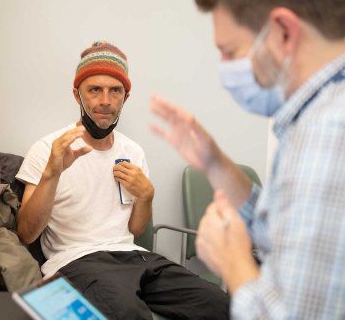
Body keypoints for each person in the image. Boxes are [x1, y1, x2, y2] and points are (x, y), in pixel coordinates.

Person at [151, 0, 345, 318]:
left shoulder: (336, 135)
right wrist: (215, 163)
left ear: (282, 32)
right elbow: (286, 227)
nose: (223, 67)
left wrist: (233, 263)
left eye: (230, 50)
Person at [16, 41, 230, 319]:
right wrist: (51, 174)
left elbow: (136, 229)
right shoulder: (48, 149)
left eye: (115, 91)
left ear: (125, 97)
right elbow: (26, 233)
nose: (105, 100)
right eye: (94, 90)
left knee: (221, 304)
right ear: (76, 95)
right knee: (129, 314)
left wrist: (146, 196)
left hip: (136, 257)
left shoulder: (133, 152)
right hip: (79, 262)